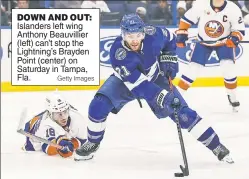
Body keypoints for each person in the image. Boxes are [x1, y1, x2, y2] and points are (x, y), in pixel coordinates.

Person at [75, 13, 233, 164]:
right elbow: (140, 86)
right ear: (123, 34)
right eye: (130, 36)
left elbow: (171, 39)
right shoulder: (119, 54)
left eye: (138, 35)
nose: (135, 40)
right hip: (127, 82)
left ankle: (216, 145)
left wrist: (168, 57)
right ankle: (93, 142)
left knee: (183, 114)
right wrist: (163, 97)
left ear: (143, 32)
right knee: (98, 105)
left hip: (156, 77)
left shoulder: (154, 34)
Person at [175, 0, 245, 112]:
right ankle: (175, 98)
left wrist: (235, 38)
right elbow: (186, 19)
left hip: (223, 43)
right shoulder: (201, 4)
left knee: (228, 69)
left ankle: (232, 97)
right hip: (203, 42)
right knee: (192, 70)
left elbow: (239, 29)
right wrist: (182, 32)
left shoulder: (233, 8)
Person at [22, 91, 87, 158]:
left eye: (65, 111)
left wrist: (71, 144)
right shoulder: (46, 124)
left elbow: (82, 139)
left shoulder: (76, 117)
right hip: (33, 147)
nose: (64, 117)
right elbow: (47, 148)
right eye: (58, 114)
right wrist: (60, 145)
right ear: (50, 114)